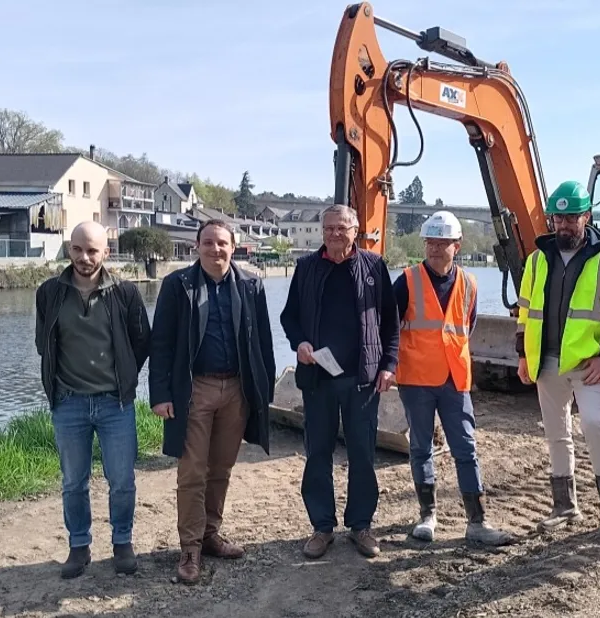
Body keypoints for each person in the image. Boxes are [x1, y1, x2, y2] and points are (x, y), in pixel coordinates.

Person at [148, 218, 276, 584]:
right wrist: (161, 395)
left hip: (236, 389)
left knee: (221, 468)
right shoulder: (178, 285)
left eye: (222, 243)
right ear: (197, 247)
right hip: (195, 390)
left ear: (233, 247)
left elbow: (262, 341)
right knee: (192, 471)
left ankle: (210, 534)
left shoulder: (250, 285)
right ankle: (189, 548)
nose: (215, 249)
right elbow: (162, 343)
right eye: (208, 243)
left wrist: (262, 392)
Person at [515, 180, 600, 538]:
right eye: (558, 218)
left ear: (587, 216)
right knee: (556, 433)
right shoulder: (537, 260)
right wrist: (524, 356)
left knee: (594, 426)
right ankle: (564, 505)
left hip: (589, 364)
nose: (565, 225)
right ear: (551, 219)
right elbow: (525, 312)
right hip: (547, 363)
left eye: (572, 217)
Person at [279, 204, 400, 560]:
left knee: (363, 453)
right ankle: (322, 527)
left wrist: (389, 365)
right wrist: (299, 342)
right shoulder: (306, 268)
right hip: (318, 379)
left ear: (356, 230)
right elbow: (290, 318)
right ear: (322, 231)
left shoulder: (374, 267)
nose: (335, 234)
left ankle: (361, 525)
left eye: (342, 228)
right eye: (329, 228)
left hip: (362, 380)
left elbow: (391, 324)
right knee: (318, 453)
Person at [34, 221, 151, 579]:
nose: (84, 258)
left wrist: (124, 379)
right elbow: (44, 343)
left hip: (115, 404)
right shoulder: (49, 292)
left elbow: (141, 341)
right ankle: (79, 546)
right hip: (69, 403)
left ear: (106, 252)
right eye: (77, 249)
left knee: (122, 480)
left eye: (92, 250)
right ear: (69, 249)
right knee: (73, 481)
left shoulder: (124, 293)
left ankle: (122, 543)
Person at [393, 211, 514, 546]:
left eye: (442, 243)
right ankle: (427, 515)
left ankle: (477, 521)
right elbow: (389, 327)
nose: (434, 249)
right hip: (416, 378)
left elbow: (465, 327)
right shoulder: (406, 280)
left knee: (466, 448)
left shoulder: (469, 284)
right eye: (430, 242)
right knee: (421, 447)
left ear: (456, 246)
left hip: (454, 380)